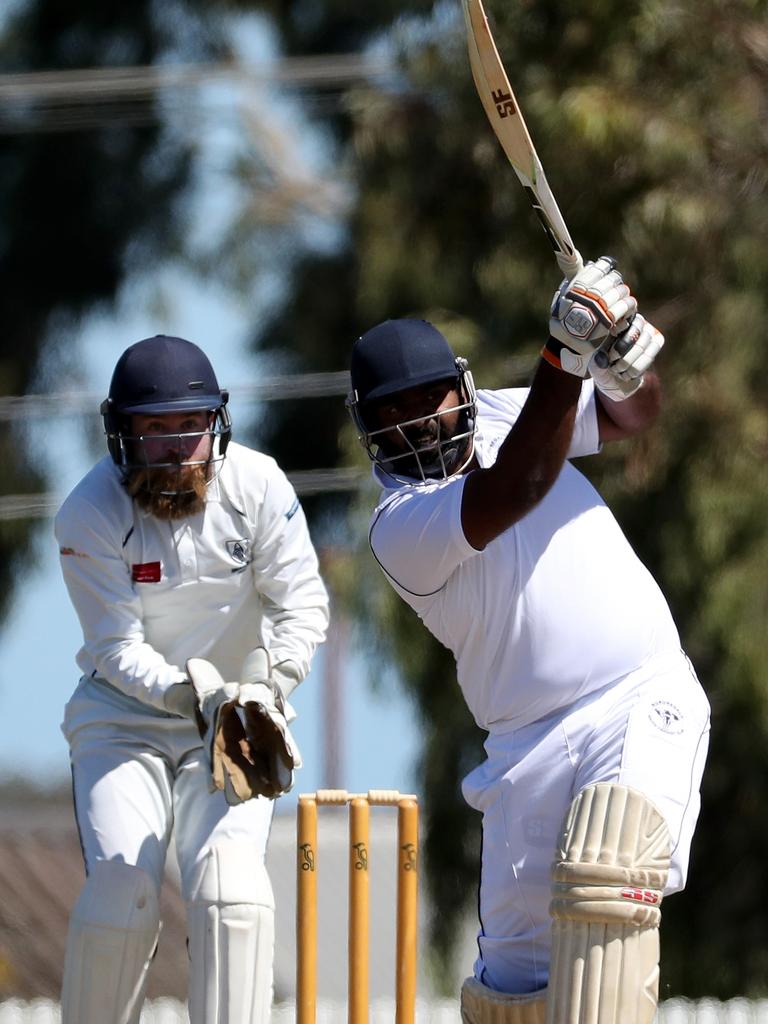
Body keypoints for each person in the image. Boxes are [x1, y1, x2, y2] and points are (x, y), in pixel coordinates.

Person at [346, 258, 710, 1024]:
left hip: (637, 693)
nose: (417, 421)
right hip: (523, 749)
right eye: (393, 411)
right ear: (367, 425)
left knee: (607, 874)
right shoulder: (399, 525)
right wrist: (564, 355)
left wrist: (621, 364)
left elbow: (634, 417)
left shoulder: (513, 414)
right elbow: (515, 486)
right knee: (513, 997)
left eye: (430, 399)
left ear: (463, 388)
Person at [55, 334, 329, 1024]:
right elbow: (116, 648)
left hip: (236, 722)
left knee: (231, 896)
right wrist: (191, 695)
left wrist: (270, 687)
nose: (178, 447)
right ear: (123, 434)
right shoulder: (89, 513)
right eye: (155, 430)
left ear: (217, 423)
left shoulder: (259, 486)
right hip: (123, 723)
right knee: (122, 895)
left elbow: (302, 606)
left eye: (191, 426)